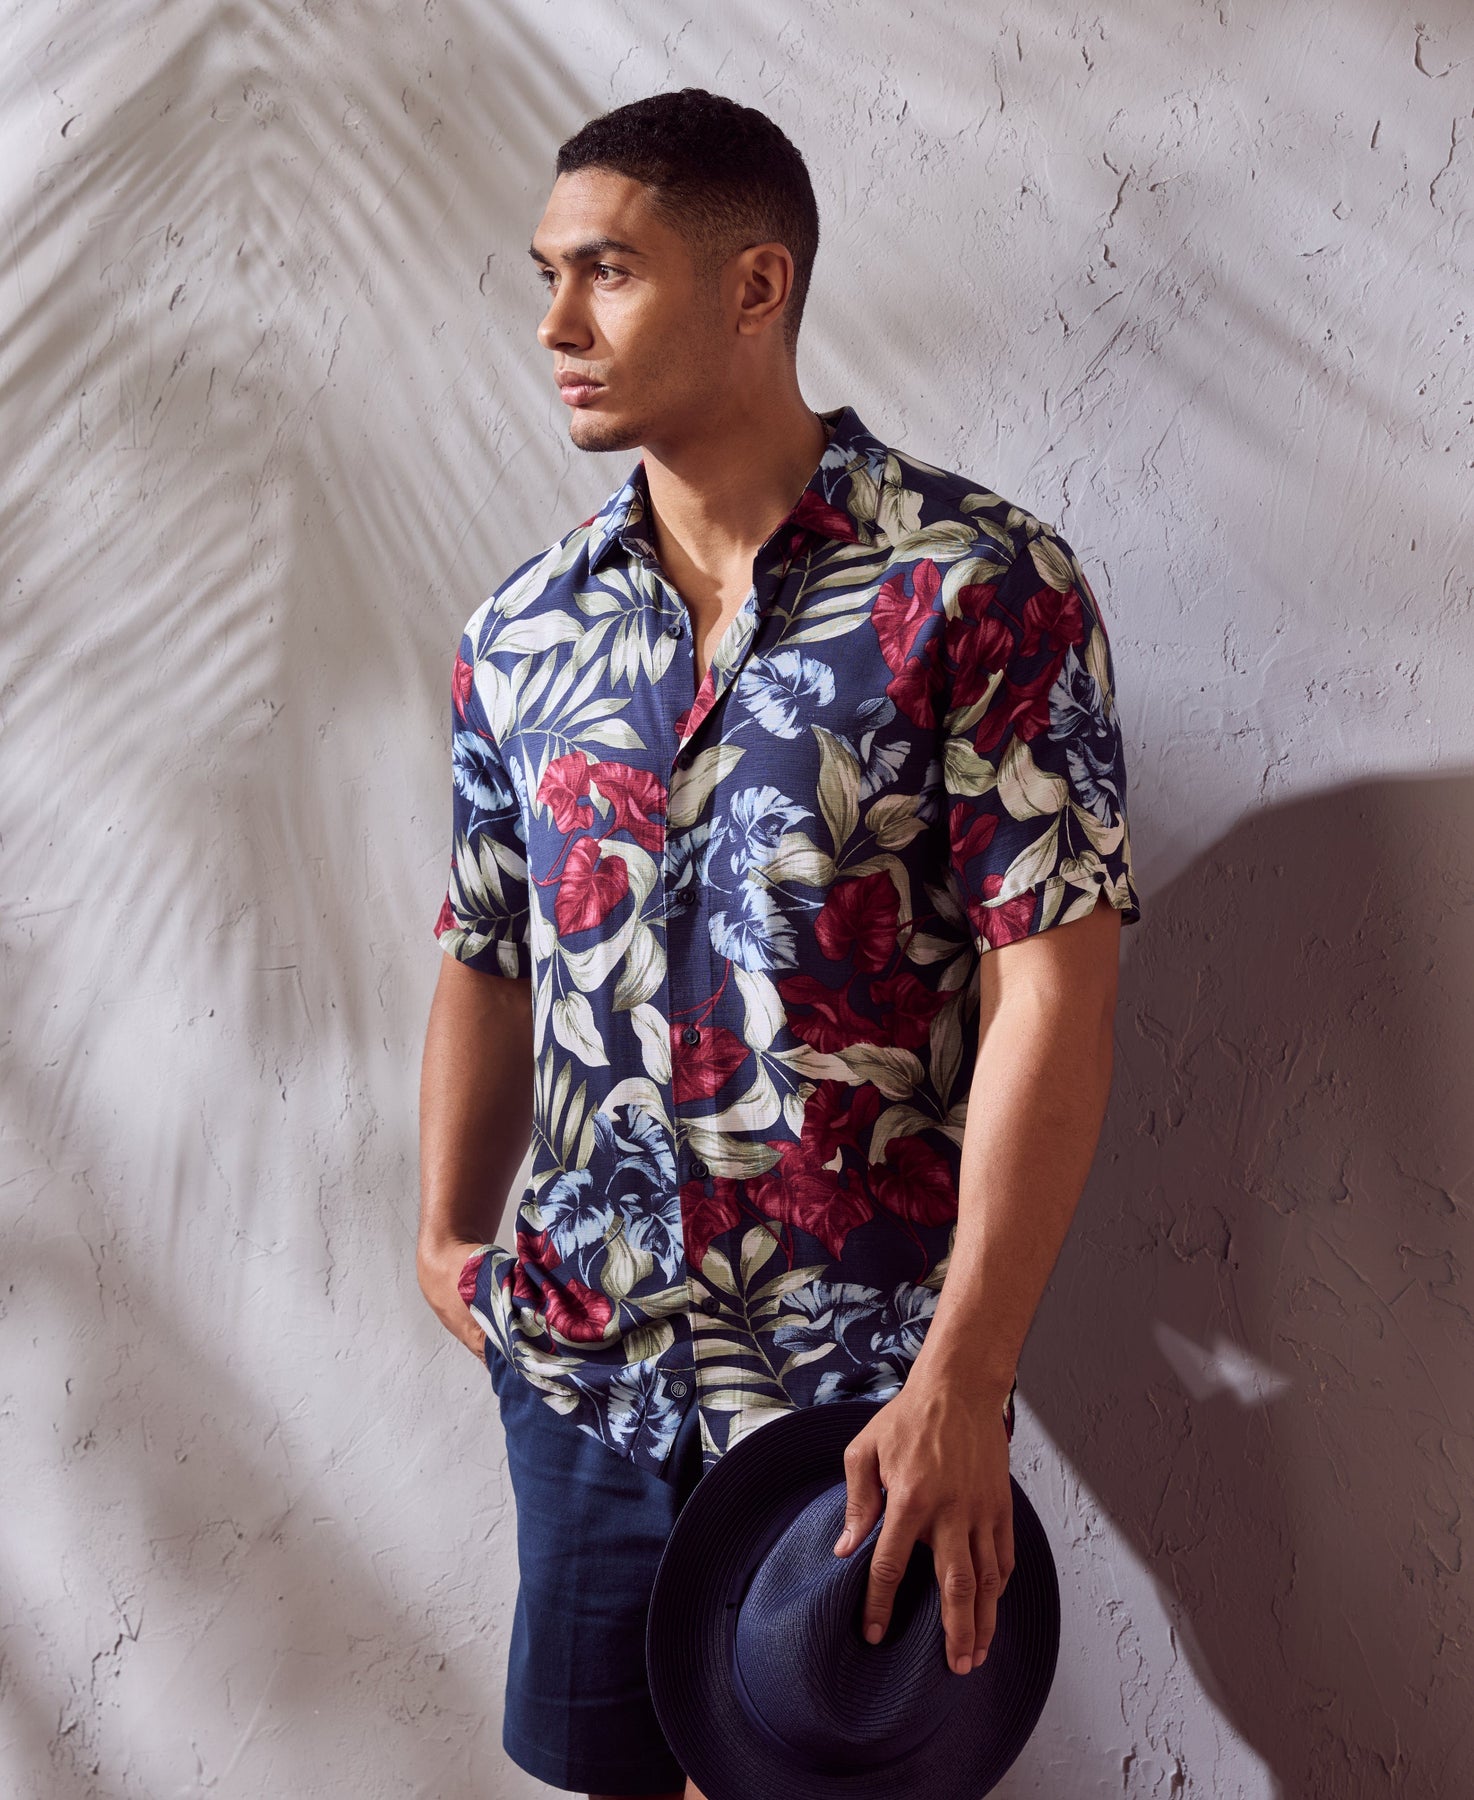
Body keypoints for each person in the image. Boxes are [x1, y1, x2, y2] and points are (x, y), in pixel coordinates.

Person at [417, 86, 1140, 1800]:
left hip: (859, 1392)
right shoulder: (520, 631)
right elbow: (485, 942)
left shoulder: (975, 586)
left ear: (756, 286)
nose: (555, 324)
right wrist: (446, 1235)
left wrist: (966, 1374)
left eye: (606, 271)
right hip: (584, 1367)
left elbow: (1053, 990)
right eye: (545, 274)